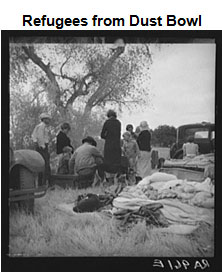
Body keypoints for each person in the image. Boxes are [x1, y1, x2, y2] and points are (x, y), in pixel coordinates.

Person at [31, 113, 51, 185]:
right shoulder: (41, 126)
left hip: (44, 146)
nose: (48, 120)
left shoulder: (45, 127)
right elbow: (39, 136)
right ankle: (42, 183)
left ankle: (43, 182)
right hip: (42, 147)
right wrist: (42, 146)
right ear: (44, 119)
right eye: (47, 119)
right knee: (44, 164)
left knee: (45, 164)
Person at [101, 109, 121, 174]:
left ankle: (108, 176)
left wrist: (107, 137)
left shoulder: (107, 122)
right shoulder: (118, 123)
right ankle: (115, 175)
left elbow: (102, 135)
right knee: (116, 161)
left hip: (109, 144)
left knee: (108, 161)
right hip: (117, 145)